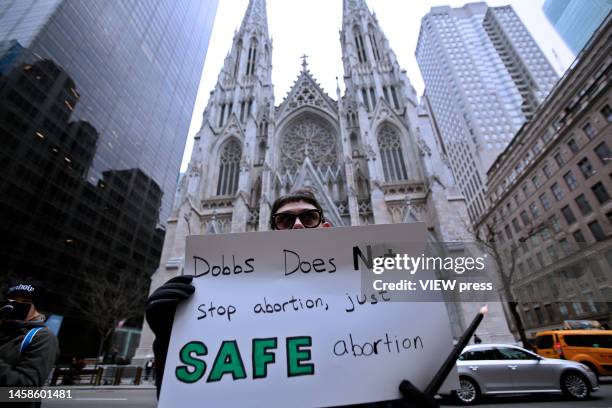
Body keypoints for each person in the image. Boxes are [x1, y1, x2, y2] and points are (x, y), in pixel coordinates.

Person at [146, 189, 439, 407]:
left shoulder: (372, 297)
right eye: (285, 221)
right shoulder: (236, 309)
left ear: (325, 226)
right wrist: (168, 340)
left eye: (308, 217)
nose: (297, 224)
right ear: (272, 233)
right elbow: (193, 399)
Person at [0, 280, 60, 408]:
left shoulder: (42, 337)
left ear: (37, 309)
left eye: (25, 302)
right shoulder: (4, 330)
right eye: (12, 300)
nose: (16, 306)